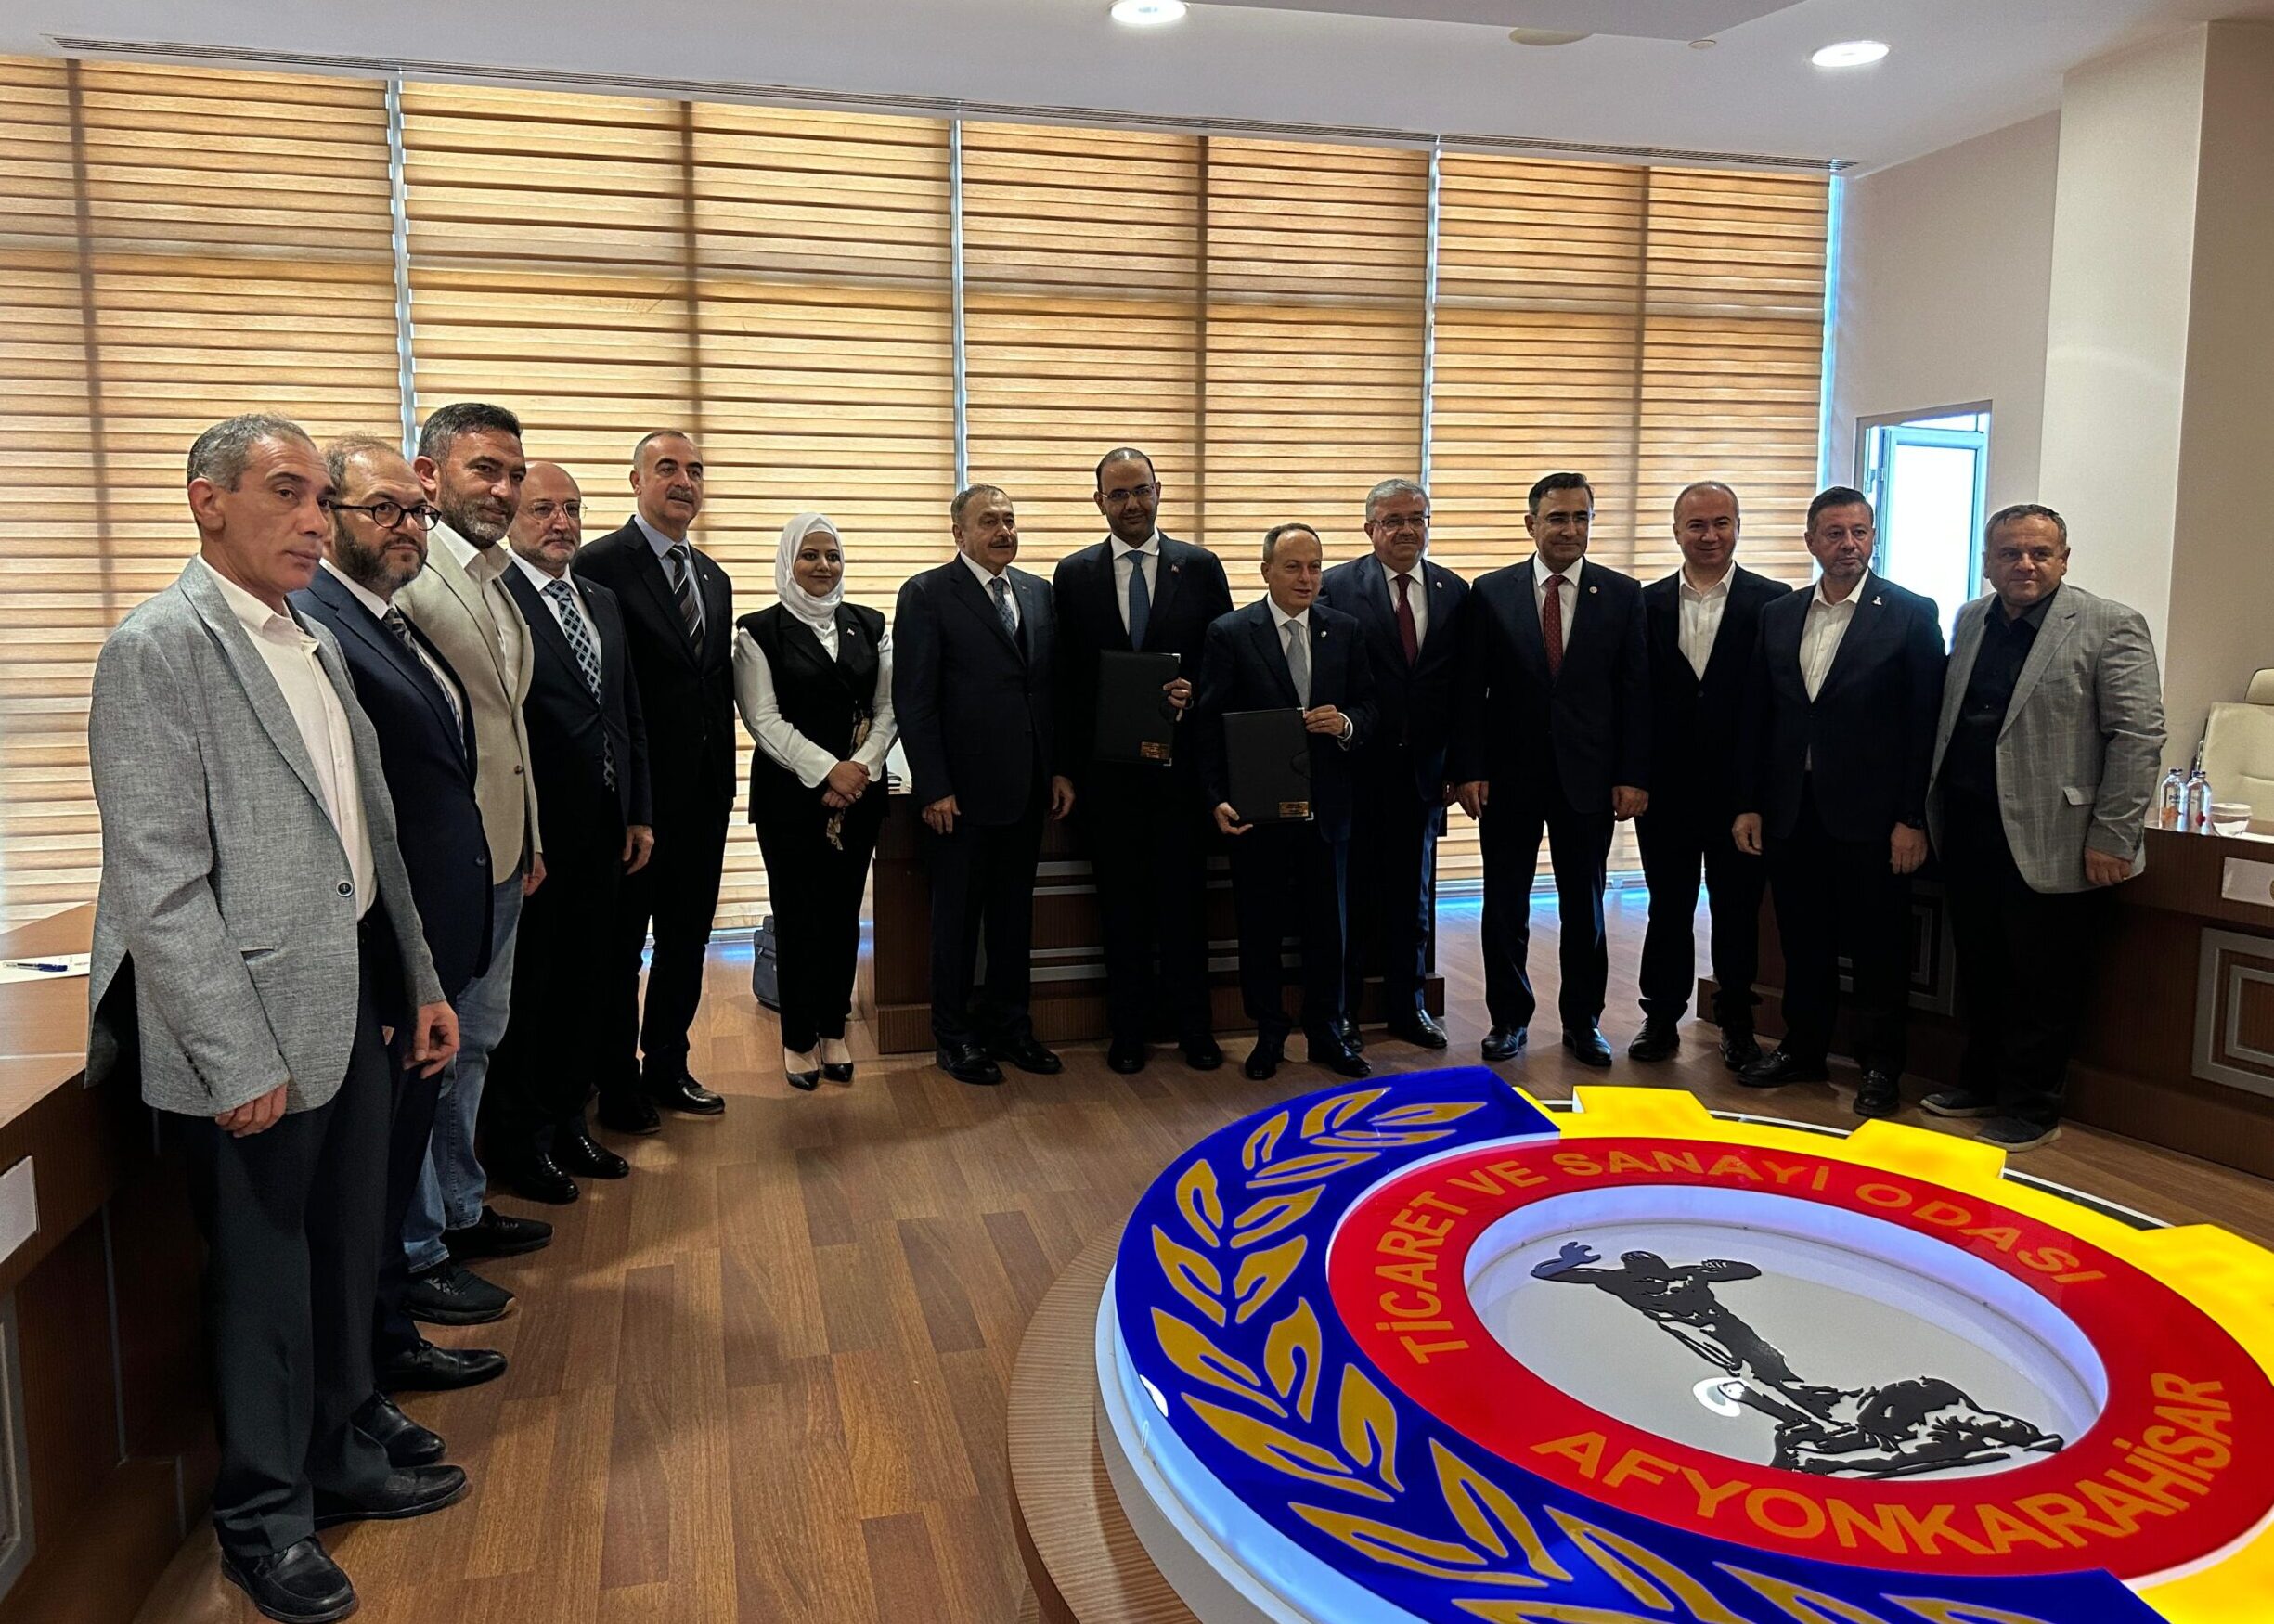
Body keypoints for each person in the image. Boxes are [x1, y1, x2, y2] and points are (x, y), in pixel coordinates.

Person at [86, 415, 464, 1624]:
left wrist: (419, 982)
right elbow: (158, 882)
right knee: (262, 1288)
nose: (312, 520)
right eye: (285, 494)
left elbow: (371, 836)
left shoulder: (314, 638)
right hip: (245, 1030)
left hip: (349, 1000)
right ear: (208, 502)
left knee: (346, 1252)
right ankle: (263, 1520)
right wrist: (232, 1054)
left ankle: (344, 1450)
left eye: (317, 499)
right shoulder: (157, 647)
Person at [290, 437, 507, 1427]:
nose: (408, 526)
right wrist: (396, 972)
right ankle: (369, 1370)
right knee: (368, 1188)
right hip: (382, 959)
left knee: (389, 1168)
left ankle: (387, 1344)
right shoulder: (318, 624)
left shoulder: (385, 618)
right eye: (382, 509)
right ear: (328, 517)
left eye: (413, 511)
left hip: (428, 943)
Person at [1922, 504, 2164, 1150]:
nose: (2024, 565)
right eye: (2010, 554)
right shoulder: (1972, 618)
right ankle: (1980, 1083)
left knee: (2044, 980)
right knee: (1980, 969)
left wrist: (2114, 834)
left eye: (2039, 553)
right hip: (1969, 827)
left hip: (2059, 836)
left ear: (2063, 559)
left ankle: (2032, 1108)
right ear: (1987, 562)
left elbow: (2138, 736)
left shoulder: (2110, 624)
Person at [394, 401, 553, 1327]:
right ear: (429, 475)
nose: (503, 488)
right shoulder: (409, 573)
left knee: (480, 1041)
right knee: (435, 1053)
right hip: (441, 864)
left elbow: (505, 727)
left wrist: (529, 837)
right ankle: (421, 1249)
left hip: (504, 853)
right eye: (484, 469)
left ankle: (460, 1205)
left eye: (512, 473)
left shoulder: (496, 576)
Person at [1733, 486, 1945, 1118]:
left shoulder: (1910, 613)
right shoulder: (1779, 614)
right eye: (1834, 533)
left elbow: (1924, 727)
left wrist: (1912, 818)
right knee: (1803, 943)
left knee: (1878, 949)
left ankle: (1880, 1067)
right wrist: (1749, 803)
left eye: (1859, 532)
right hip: (1792, 812)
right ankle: (1803, 1049)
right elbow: (1758, 716)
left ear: (1873, 537)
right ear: (1811, 542)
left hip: (1874, 820)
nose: (1848, 544)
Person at [488, 463, 654, 1193]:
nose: (562, 522)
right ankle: (519, 1142)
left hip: (606, 830)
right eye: (543, 509)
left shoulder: (600, 600)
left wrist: (639, 809)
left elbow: (625, 711)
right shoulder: (494, 598)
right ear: (511, 519)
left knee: (590, 983)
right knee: (532, 994)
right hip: (536, 839)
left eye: (573, 509)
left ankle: (567, 1122)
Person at [1449, 472, 1650, 1068]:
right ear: (1531, 524)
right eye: (1558, 517)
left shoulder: (1622, 594)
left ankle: (1583, 1023)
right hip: (1508, 778)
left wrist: (1633, 773)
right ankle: (1508, 1019)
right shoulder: (1491, 592)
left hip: (1589, 778)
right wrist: (1469, 768)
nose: (1570, 529)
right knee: (1504, 904)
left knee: (1584, 907)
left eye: (1581, 517)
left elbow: (1636, 692)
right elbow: (1469, 691)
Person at [1051, 448, 1234, 1074]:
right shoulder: (1073, 575)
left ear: (1159, 492)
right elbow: (1065, 678)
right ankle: (1127, 1031)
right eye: (1119, 494)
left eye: (1141, 491)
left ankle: (1195, 1030)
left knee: (1185, 908)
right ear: (1099, 501)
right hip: (1106, 778)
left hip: (1180, 775)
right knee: (1120, 911)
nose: (1132, 504)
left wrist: (1194, 692)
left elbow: (1224, 658)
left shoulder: (1200, 567)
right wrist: (1064, 766)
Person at [575, 431, 738, 1125]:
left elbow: (713, 685)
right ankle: (616, 1082)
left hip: (704, 794)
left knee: (686, 940)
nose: (684, 481)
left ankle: (669, 1064)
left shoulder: (714, 577)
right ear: (636, 481)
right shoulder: (596, 565)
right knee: (620, 949)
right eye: (667, 468)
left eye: (695, 470)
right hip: (632, 801)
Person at [892, 484, 1075, 1086]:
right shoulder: (926, 594)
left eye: (1009, 520)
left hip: (1026, 790)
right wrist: (933, 786)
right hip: (959, 797)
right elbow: (914, 700)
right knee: (956, 924)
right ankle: (955, 1038)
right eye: (989, 521)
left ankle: (1012, 1028)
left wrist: (1058, 767)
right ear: (959, 533)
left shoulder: (1037, 592)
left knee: (1012, 921)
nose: (1003, 531)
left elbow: (1048, 690)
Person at [1192, 522, 1376, 1082]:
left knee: (1329, 928)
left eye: (1315, 567)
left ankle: (1327, 1032)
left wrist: (1346, 723)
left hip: (1329, 808)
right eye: (1293, 567)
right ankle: (1268, 1032)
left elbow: (1371, 707)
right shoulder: (1230, 632)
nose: (1307, 578)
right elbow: (1208, 723)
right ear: (1266, 571)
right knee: (1261, 928)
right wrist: (1216, 797)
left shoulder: (1345, 630)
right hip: (1259, 810)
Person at [1630, 483, 1792, 1067]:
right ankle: (1660, 1018)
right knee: (1667, 907)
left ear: (1738, 527)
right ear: (1676, 531)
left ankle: (1738, 1024)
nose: (1709, 536)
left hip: (1740, 795)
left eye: (1721, 523)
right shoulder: (1643, 603)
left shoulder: (1774, 604)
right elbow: (1633, 700)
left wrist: (1755, 796)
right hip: (1664, 791)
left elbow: (1775, 707)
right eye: (1696, 525)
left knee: (1737, 912)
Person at [734, 514, 898, 1088]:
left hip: (859, 799)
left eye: (832, 555)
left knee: (843, 918)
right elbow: (763, 719)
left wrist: (860, 770)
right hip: (790, 800)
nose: (823, 566)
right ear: (788, 561)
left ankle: (833, 1028)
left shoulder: (870, 624)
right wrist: (830, 770)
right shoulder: (758, 632)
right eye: (809, 555)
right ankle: (798, 1037)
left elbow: (888, 708)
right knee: (799, 917)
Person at [1319, 478, 1466, 1051]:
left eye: (1416, 518)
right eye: (1393, 520)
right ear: (1370, 529)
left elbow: (1464, 690)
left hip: (1423, 774)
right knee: (1349, 900)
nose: (1407, 530)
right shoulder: (1334, 587)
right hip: (1355, 768)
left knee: (1413, 901)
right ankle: (1344, 1013)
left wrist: (1459, 765)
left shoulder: (1454, 591)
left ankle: (1410, 1008)